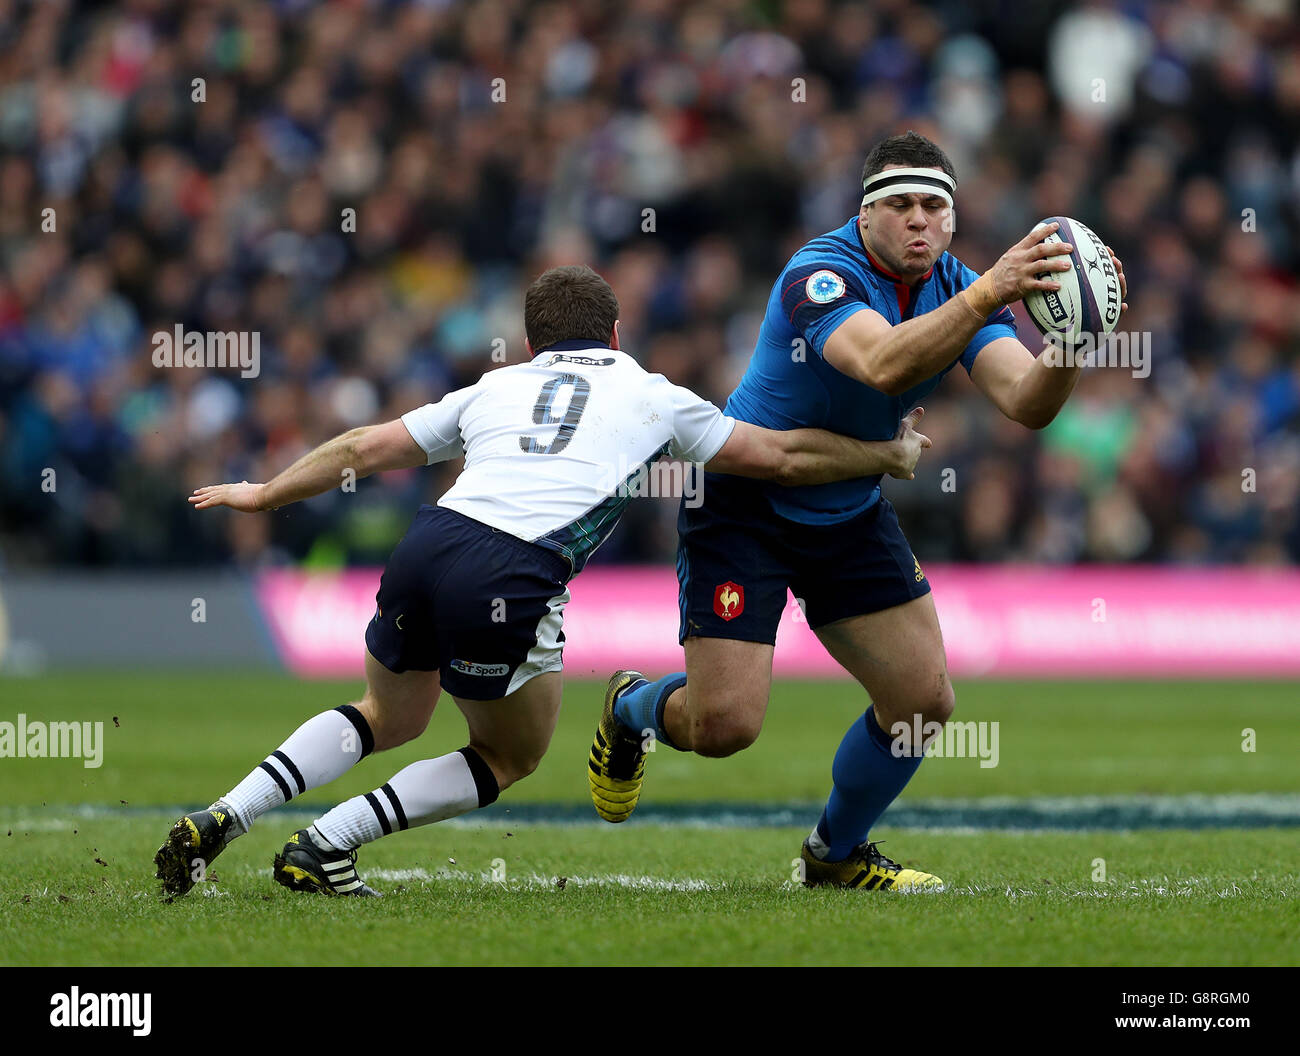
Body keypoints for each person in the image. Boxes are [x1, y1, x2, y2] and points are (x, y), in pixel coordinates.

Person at [153, 264, 932, 897]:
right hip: (512, 572)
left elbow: (362, 447)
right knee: (508, 755)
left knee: (384, 715)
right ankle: (329, 842)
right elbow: (786, 458)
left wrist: (263, 492)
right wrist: (885, 458)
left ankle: (227, 811)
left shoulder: (496, 387)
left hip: (429, 544)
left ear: (531, 344)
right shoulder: (654, 395)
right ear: (617, 333)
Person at [588, 131, 1127, 891]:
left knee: (922, 702)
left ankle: (835, 854)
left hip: (848, 509)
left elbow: (1025, 401)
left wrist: (1073, 340)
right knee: (724, 728)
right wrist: (987, 294)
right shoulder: (820, 274)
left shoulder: (959, 284)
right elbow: (881, 363)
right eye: (900, 204)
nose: (918, 220)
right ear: (865, 213)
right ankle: (632, 707)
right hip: (747, 502)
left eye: (934, 206)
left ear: (950, 218)